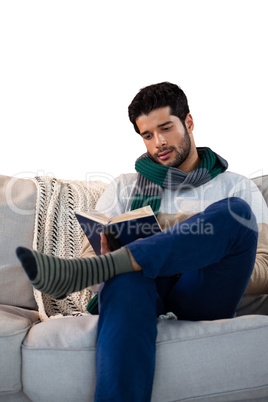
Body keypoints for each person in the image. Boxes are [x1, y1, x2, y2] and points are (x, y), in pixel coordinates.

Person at [16, 82, 268, 402]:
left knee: (235, 214)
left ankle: (127, 260)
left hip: (204, 291)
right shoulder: (123, 188)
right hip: (140, 292)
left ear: (188, 122)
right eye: (147, 135)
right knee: (123, 280)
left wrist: (181, 246)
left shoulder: (238, 187)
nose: (158, 142)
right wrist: (124, 260)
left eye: (166, 128)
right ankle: (123, 264)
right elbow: (91, 268)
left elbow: (264, 268)